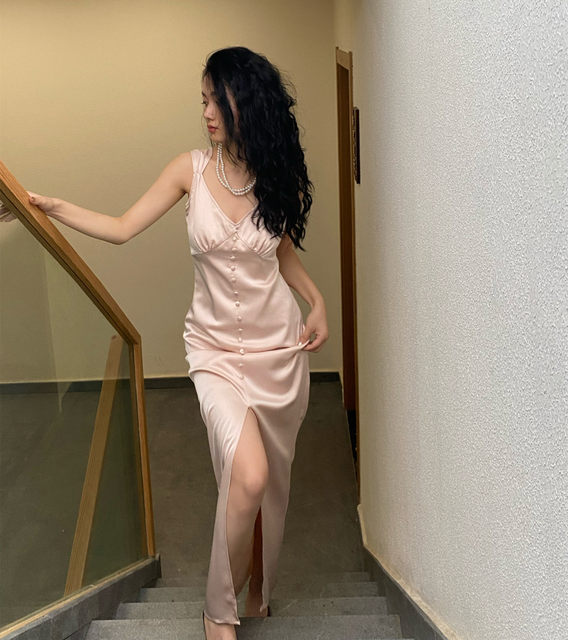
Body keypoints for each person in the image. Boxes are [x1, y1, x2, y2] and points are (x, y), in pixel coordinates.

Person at [0, 46, 328, 640]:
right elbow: (122, 228)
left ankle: (256, 589)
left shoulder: (272, 177)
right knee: (249, 476)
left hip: (279, 353)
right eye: (202, 100)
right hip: (214, 355)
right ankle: (217, 611)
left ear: (246, 102)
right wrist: (51, 207)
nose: (206, 112)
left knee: (270, 487)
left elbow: (281, 254)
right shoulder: (190, 170)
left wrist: (317, 301)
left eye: (216, 100)